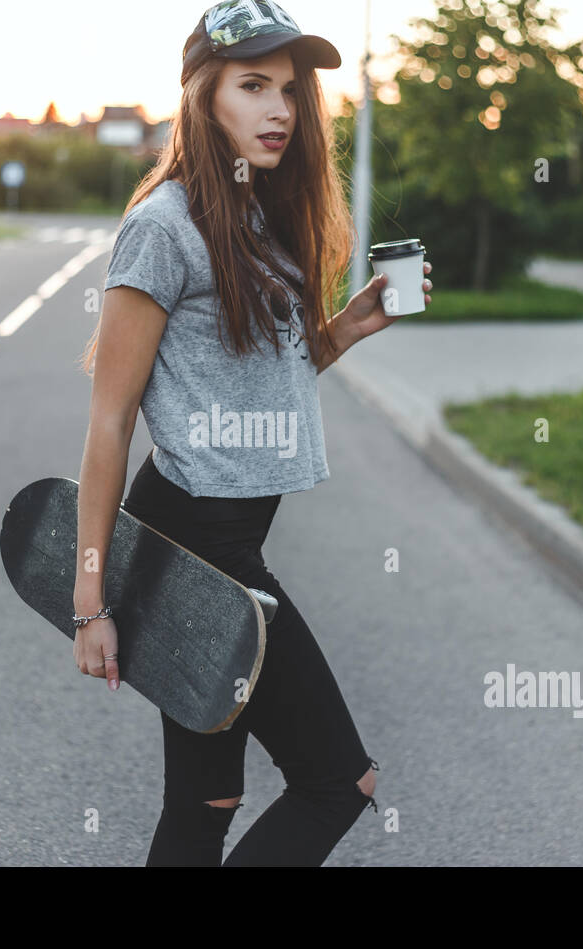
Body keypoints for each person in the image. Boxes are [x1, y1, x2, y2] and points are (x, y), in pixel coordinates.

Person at [73, 0, 432, 866]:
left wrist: (341, 332)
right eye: (254, 86)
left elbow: (258, 383)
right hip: (198, 550)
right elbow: (110, 420)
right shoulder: (162, 229)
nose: (281, 110)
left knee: (208, 802)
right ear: (204, 96)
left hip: (221, 539)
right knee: (338, 783)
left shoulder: (257, 222)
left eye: (291, 91)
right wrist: (91, 603)